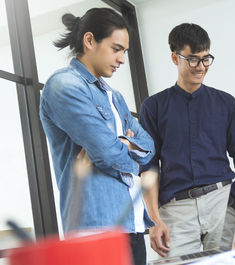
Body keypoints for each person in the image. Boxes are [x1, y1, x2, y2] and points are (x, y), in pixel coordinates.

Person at [139, 23, 235, 258]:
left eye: (206, 59)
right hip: (175, 209)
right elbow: (148, 166)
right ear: (174, 57)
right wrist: (153, 220)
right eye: (192, 59)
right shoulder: (153, 107)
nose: (201, 67)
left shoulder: (226, 103)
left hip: (221, 202)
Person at [39, 8, 155, 265]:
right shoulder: (64, 86)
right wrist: (130, 153)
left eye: (124, 51)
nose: (122, 59)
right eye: (116, 49)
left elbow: (149, 145)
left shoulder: (115, 97)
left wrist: (122, 144)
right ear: (89, 41)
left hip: (132, 223)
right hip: (94, 228)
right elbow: (106, 153)